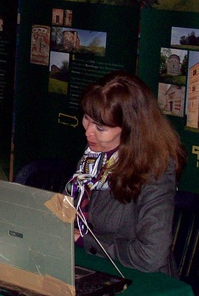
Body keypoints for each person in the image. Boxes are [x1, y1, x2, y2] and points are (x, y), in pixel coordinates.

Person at [67, 70, 186, 275]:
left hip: (139, 279)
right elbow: (69, 207)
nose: (88, 131)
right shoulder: (94, 155)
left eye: (101, 127)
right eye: (87, 118)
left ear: (131, 129)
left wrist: (84, 240)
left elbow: (151, 256)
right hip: (93, 265)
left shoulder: (155, 170)